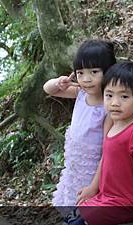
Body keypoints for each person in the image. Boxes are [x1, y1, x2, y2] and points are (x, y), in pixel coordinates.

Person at [75, 61, 133, 225]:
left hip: (126, 204)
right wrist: (93, 188)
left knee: (86, 218)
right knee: (77, 211)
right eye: (109, 95)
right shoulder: (113, 125)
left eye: (124, 96)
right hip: (106, 198)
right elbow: (106, 159)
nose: (114, 103)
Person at [43, 39, 116, 210]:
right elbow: (48, 89)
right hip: (73, 168)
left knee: (84, 212)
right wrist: (58, 83)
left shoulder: (109, 107)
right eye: (80, 73)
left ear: (109, 72)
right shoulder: (81, 94)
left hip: (92, 173)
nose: (86, 79)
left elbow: (108, 152)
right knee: (69, 208)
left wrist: (93, 186)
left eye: (94, 72)